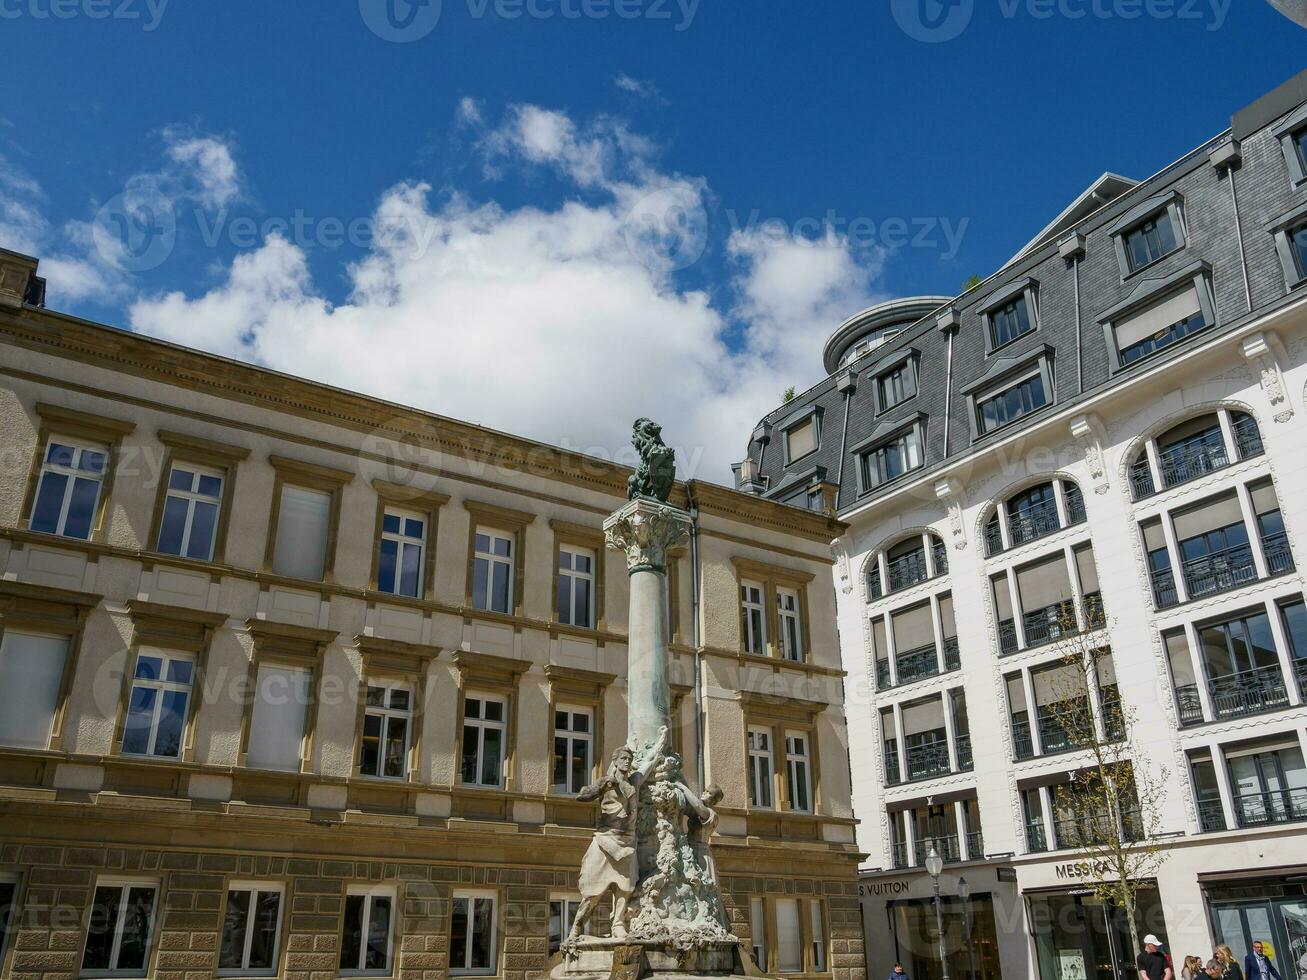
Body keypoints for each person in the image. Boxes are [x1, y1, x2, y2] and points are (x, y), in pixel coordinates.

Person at [566, 726, 668, 945]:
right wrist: (600, 787)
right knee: (593, 891)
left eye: (629, 758)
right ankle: (577, 925)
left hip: (627, 841)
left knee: (625, 888)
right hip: (605, 840)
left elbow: (649, 761)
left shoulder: (635, 782)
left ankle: (618, 924)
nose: (628, 762)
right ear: (616, 761)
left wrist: (661, 739)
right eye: (624, 758)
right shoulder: (606, 782)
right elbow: (581, 796)